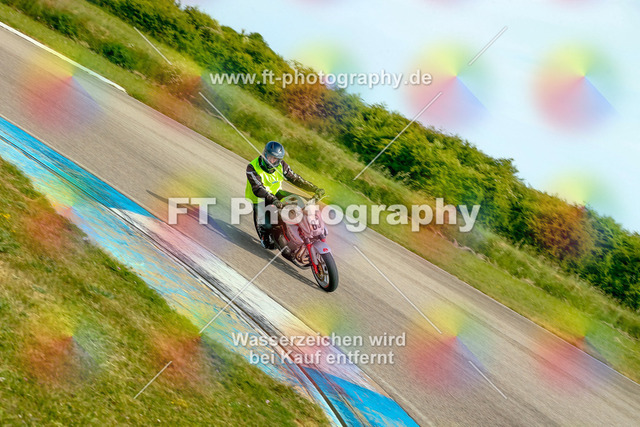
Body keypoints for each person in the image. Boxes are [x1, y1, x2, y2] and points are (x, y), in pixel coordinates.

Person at [245, 141, 324, 248]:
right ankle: (264, 236)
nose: (271, 161)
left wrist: (314, 189)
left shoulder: (282, 165)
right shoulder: (252, 167)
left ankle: (302, 230)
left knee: (302, 203)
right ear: (264, 154)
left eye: (275, 159)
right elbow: (258, 188)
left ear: (279, 160)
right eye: (269, 157)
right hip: (259, 198)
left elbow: (296, 179)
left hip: (277, 192)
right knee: (268, 225)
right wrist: (273, 200)